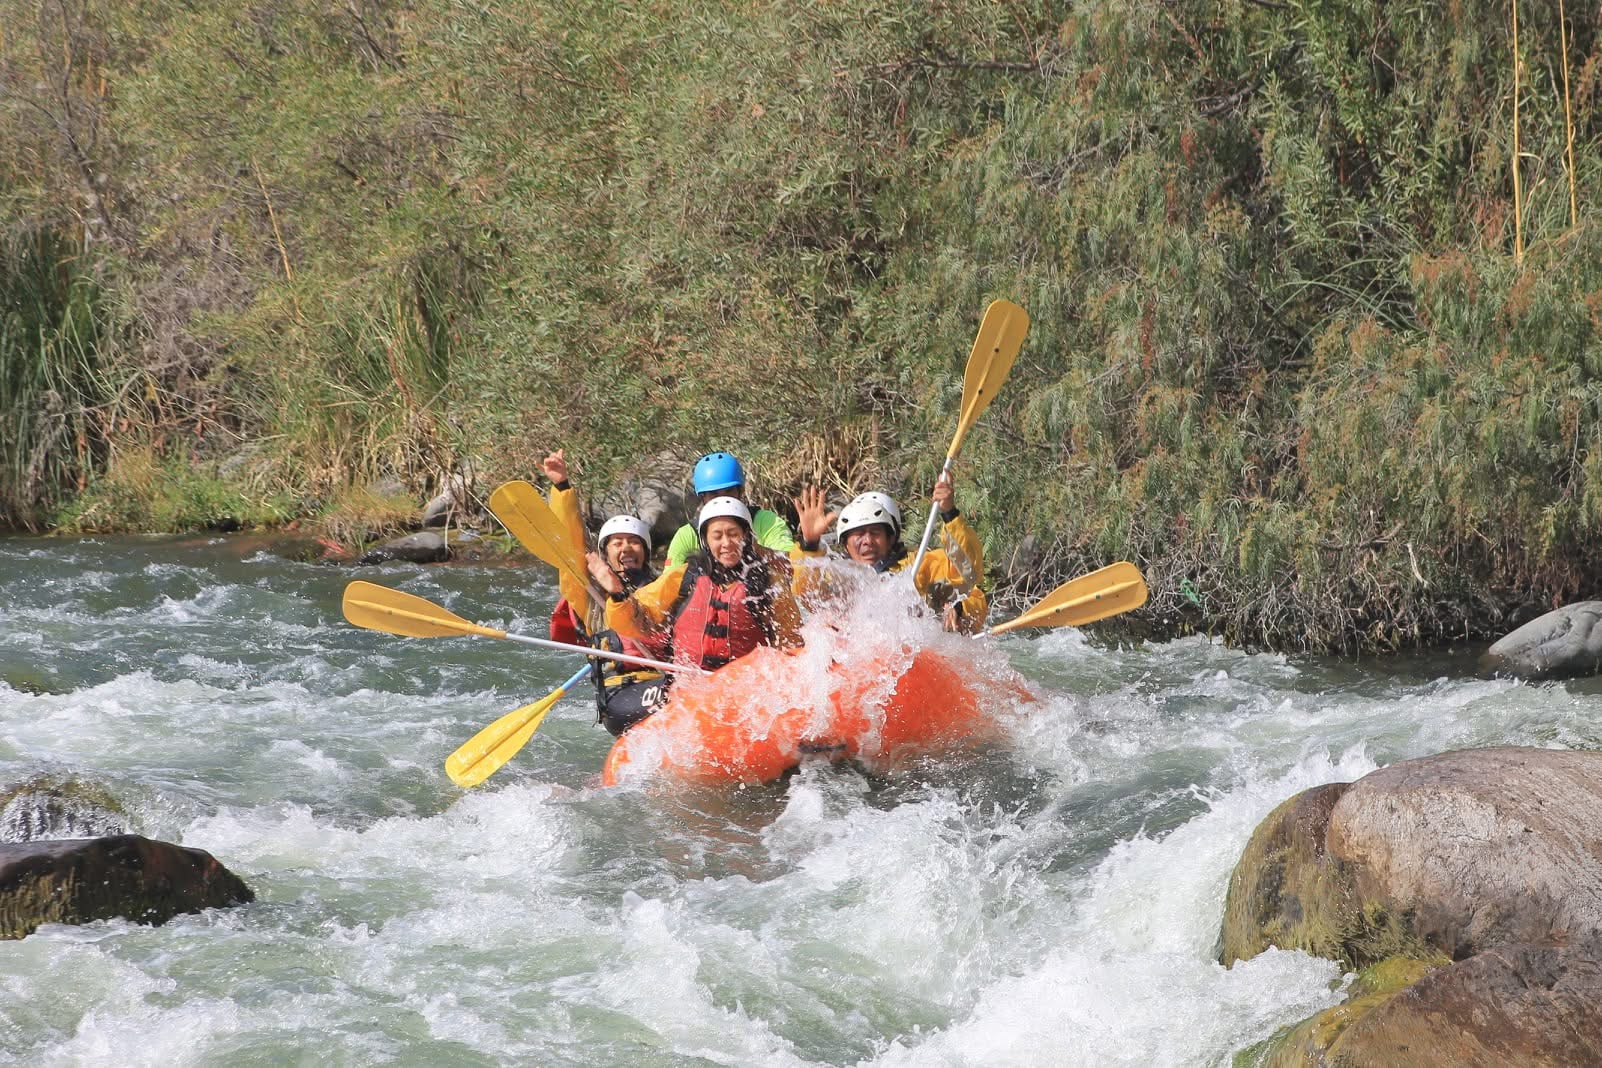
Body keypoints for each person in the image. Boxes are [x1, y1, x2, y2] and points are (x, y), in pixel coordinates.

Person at [592, 496, 803, 672]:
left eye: (733, 534)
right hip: (690, 688)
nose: (726, 543)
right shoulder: (683, 577)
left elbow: (791, 642)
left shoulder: (768, 582)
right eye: (717, 536)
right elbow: (637, 622)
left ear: (746, 537)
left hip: (745, 688)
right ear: (705, 541)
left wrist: (809, 545)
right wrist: (617, 594)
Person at [542, 449, 670, 736]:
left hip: (663, 683)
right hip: (620, 697)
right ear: (605, 553)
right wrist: (562, 489)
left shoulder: (661, 590)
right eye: (617, 544)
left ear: (646, 552)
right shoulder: (589, 595)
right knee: (680, 691)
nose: (626, 548)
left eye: (634, 543)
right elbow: (570, 545)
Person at [795, 471, 989, 633]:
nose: (868, 541)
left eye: (875, 532)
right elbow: (805, 594)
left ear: (891, 538)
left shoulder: (921, 566)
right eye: (859, 534)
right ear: (845, 545)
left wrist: (949, 513)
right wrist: (810, 545)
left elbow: (969, 575)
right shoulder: (836, 573)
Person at [664, 451, 796, 566]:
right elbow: (666, 585)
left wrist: (759, 550)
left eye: (729, 491)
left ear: (741, 491)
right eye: (713, 494)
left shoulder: (766, 521)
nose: (722, 499)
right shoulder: (687, 535)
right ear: (702, 497)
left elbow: (794, 564)